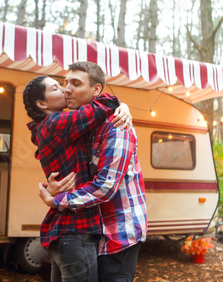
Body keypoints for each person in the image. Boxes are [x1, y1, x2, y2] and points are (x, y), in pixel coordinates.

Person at [38, 61, 147, 281]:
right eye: (66, 82)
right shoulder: (83, 123)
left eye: (76, 83)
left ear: (96, 90)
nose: (67, 88)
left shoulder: (116, 125)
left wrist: (57, 200)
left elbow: (105, 187)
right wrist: (50, 187)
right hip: (92, 231)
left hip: (118, 231)